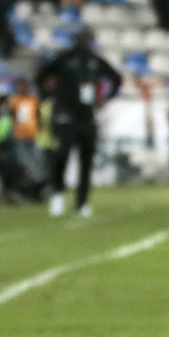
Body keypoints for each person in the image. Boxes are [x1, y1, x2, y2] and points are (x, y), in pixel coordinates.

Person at [37, 27, 123, 217]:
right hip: (67, 116)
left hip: (87, 117)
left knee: (87, 162)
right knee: (61, 157)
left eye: (87, 39)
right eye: (81, 38)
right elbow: (41, 75)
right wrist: (50, 97)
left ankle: (82, 202)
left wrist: (105, 99)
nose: (84, 42)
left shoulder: (95, 61)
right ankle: (58, 194)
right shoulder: (65, 59)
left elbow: (116, 79)